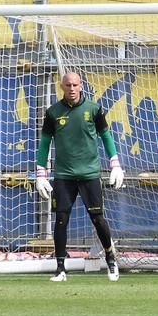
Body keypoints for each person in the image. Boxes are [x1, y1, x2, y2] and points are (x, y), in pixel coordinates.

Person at [35, 72, 124, 282]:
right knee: (61, 220)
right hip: (64, 176)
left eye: (75, 85)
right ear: (62, 87)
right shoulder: (53, 112)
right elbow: (45, 143)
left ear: (81, 86)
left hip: (89, 174)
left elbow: (106, 137)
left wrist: (115, 164)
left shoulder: (94, 109)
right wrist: (41, 174)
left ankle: (111, 258)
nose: (72, 88)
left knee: (98, 218)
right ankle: (60, 269)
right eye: (68, 85)